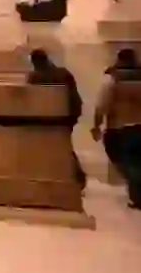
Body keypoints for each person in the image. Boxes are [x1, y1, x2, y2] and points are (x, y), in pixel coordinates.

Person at [26, 49, 86, 191]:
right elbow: (74, 96)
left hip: (47, 119)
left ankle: (66, 178)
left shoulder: (35, 77)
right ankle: (78, 179)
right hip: (66, 116)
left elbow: (31, 99)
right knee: (65, 146)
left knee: (52, 148)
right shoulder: (64, 73)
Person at [94, 49, 141, 209]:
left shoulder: (112, 79)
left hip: (120, 128)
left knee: (126, 163)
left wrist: (96, 125)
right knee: (135, 162)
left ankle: (137, 196)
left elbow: (101, 106)